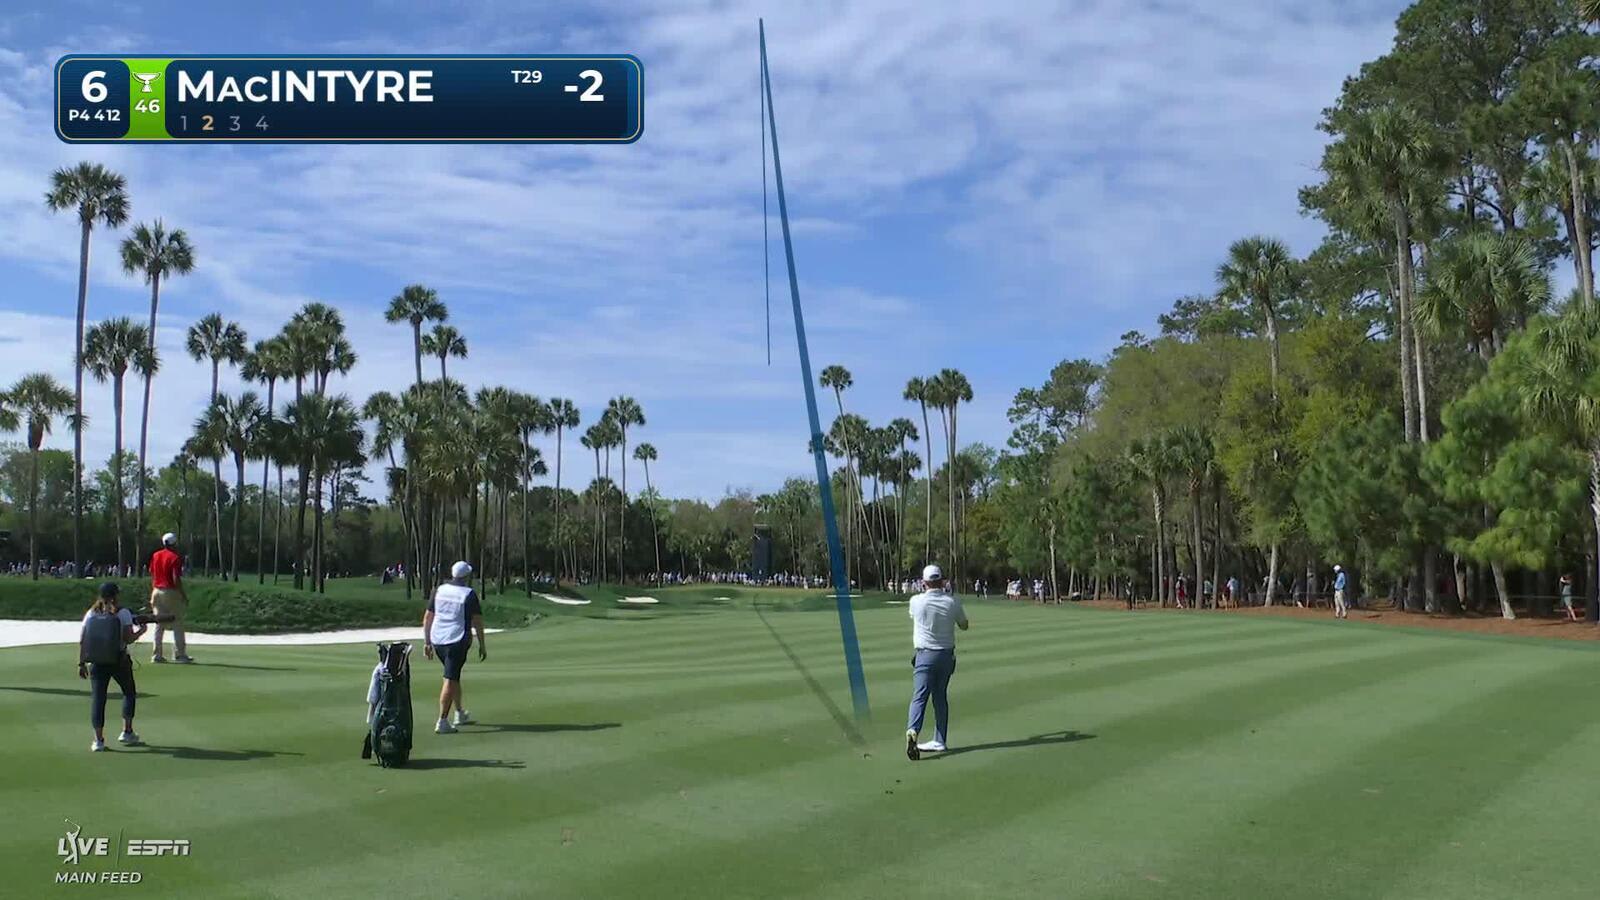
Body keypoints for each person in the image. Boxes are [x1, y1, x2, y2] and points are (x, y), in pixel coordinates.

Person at [905, 564, 969, 760]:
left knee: (920, 696)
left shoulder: (916, 601)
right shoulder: (952, 602)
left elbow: (913, 615)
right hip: (946, 656)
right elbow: (964, 625)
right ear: (942, 581)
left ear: (924, 583)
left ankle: (913, 730)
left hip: (925, 655)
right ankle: (939, 740)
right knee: (940, 697)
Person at [78, 582, 146, 752]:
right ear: (115, 596)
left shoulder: (91, 613)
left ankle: (98, 740)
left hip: (96, 662)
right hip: (118, 660)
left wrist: (81, 663)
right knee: (129, 692)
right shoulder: (122, 613)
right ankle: (127, 731)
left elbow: (83, 639)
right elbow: (128, 638)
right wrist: (142, 631)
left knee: (98, 700)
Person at [424, 560, 487, 734]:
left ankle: (459, 713)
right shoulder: (469, 594)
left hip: (438, 640)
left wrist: (427, 642)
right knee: (450, 679)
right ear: (466, 577)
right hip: (456, 640)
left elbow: (428, 617)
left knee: (453, 675)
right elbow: (478, 622)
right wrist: (482, 644)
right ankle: (442, 720)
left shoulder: (439, 590)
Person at [148, 533, 192, 664]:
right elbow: (175, 579)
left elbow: (152, 573)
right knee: (177, 623)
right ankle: (180, 654)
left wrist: (154, 588)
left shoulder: (156, 555)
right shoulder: (175, 558)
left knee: (159, 624)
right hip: (170, 591)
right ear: (174, 544)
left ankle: (157, 655)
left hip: (156, 590)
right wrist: (183, 594)